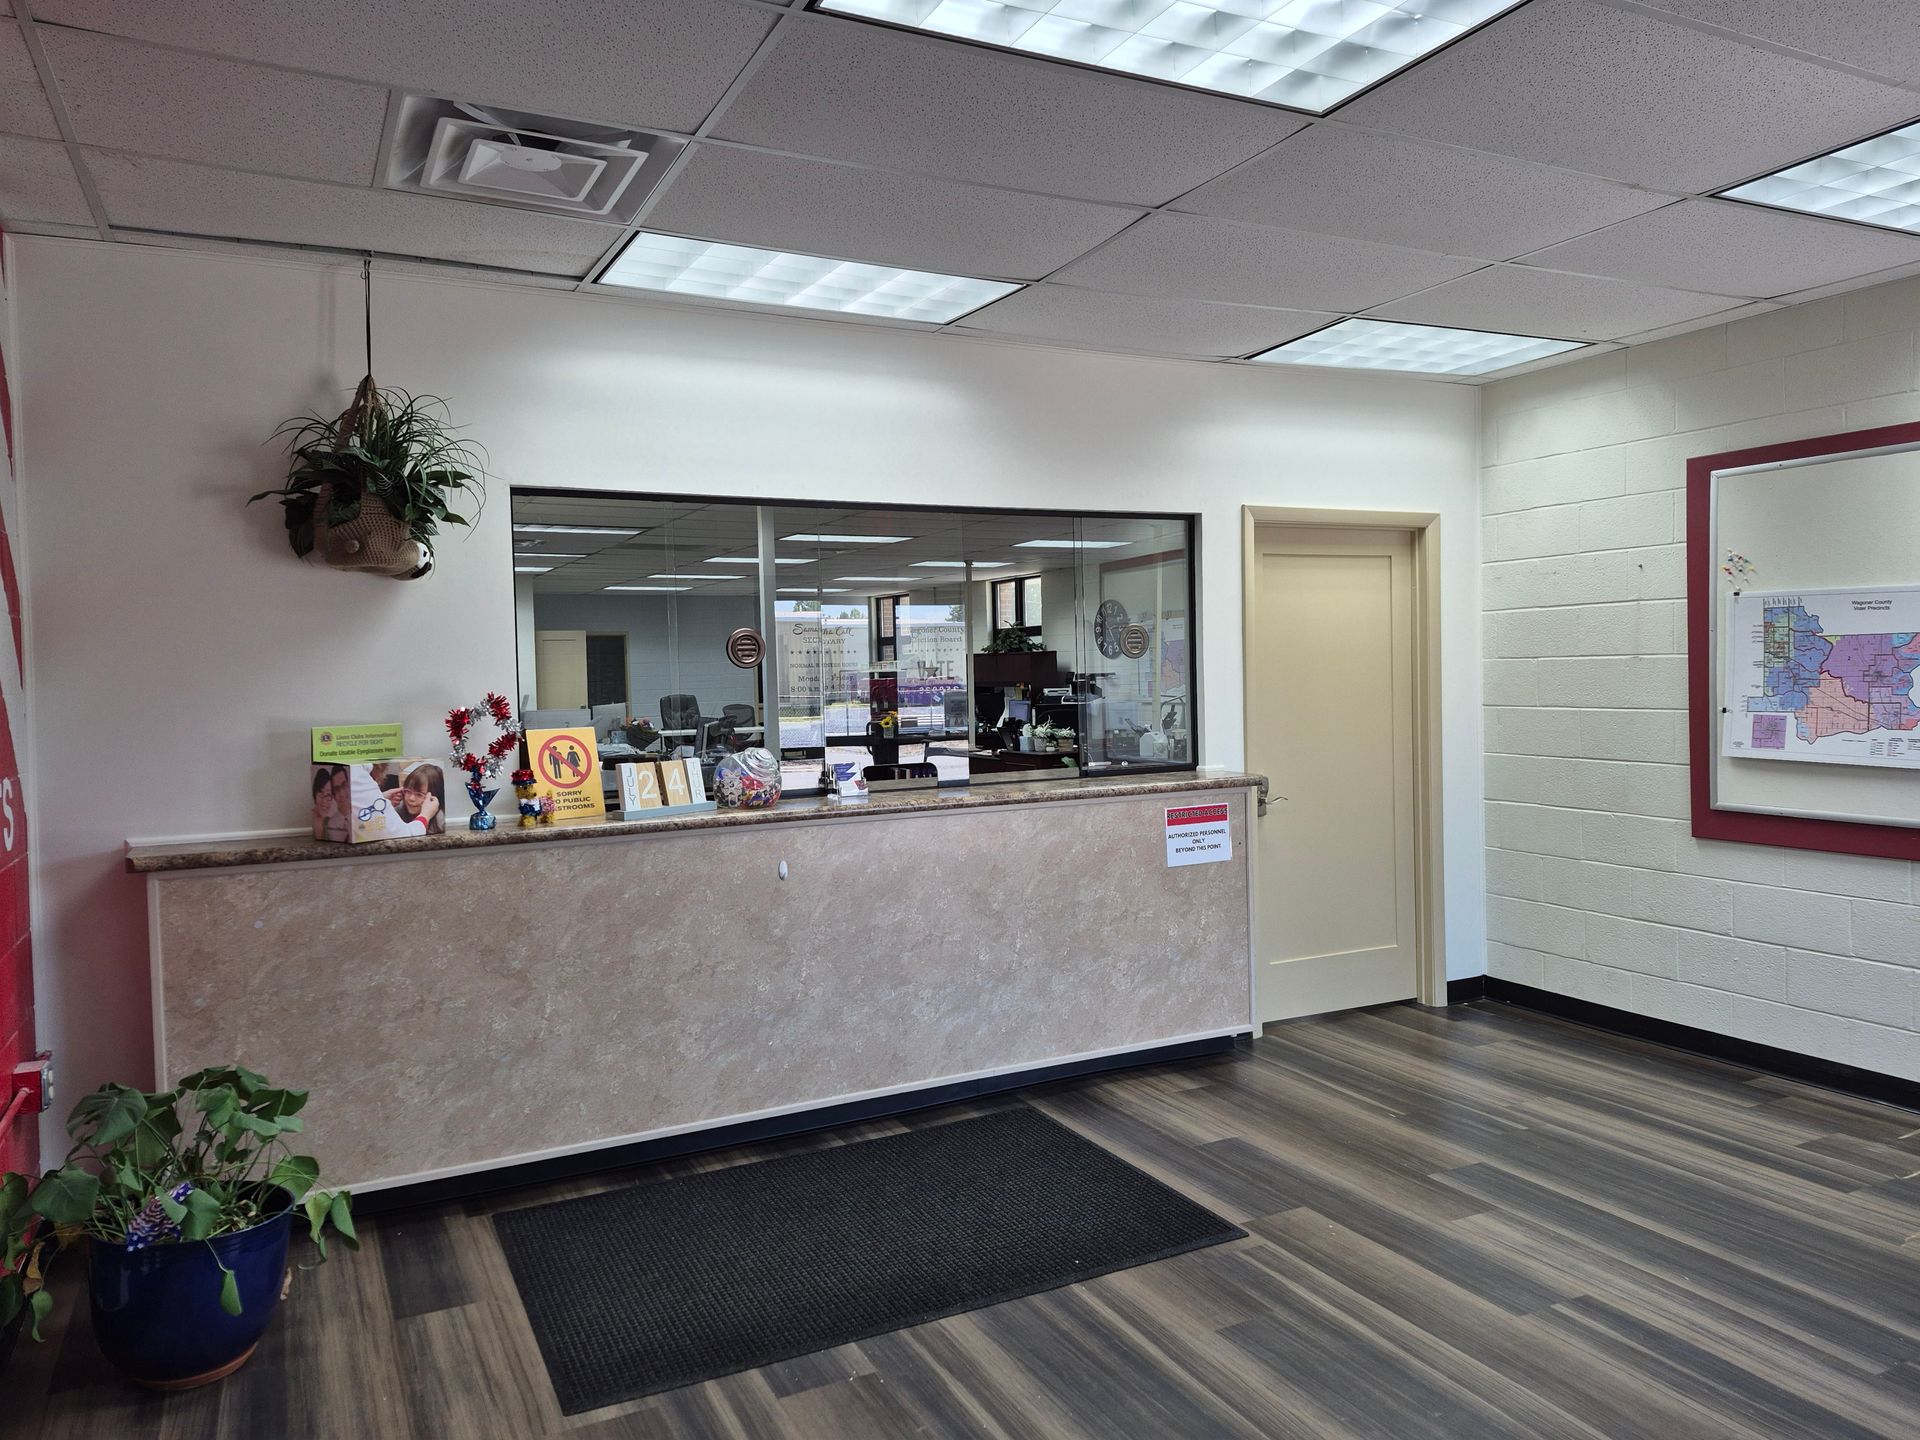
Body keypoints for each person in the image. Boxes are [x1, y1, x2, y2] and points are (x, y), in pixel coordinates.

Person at [392, 762, 445, 834]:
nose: (411, 798)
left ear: (434, 798)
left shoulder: (440, 820)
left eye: (419, 795)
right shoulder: (400, 808)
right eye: (408, 791)